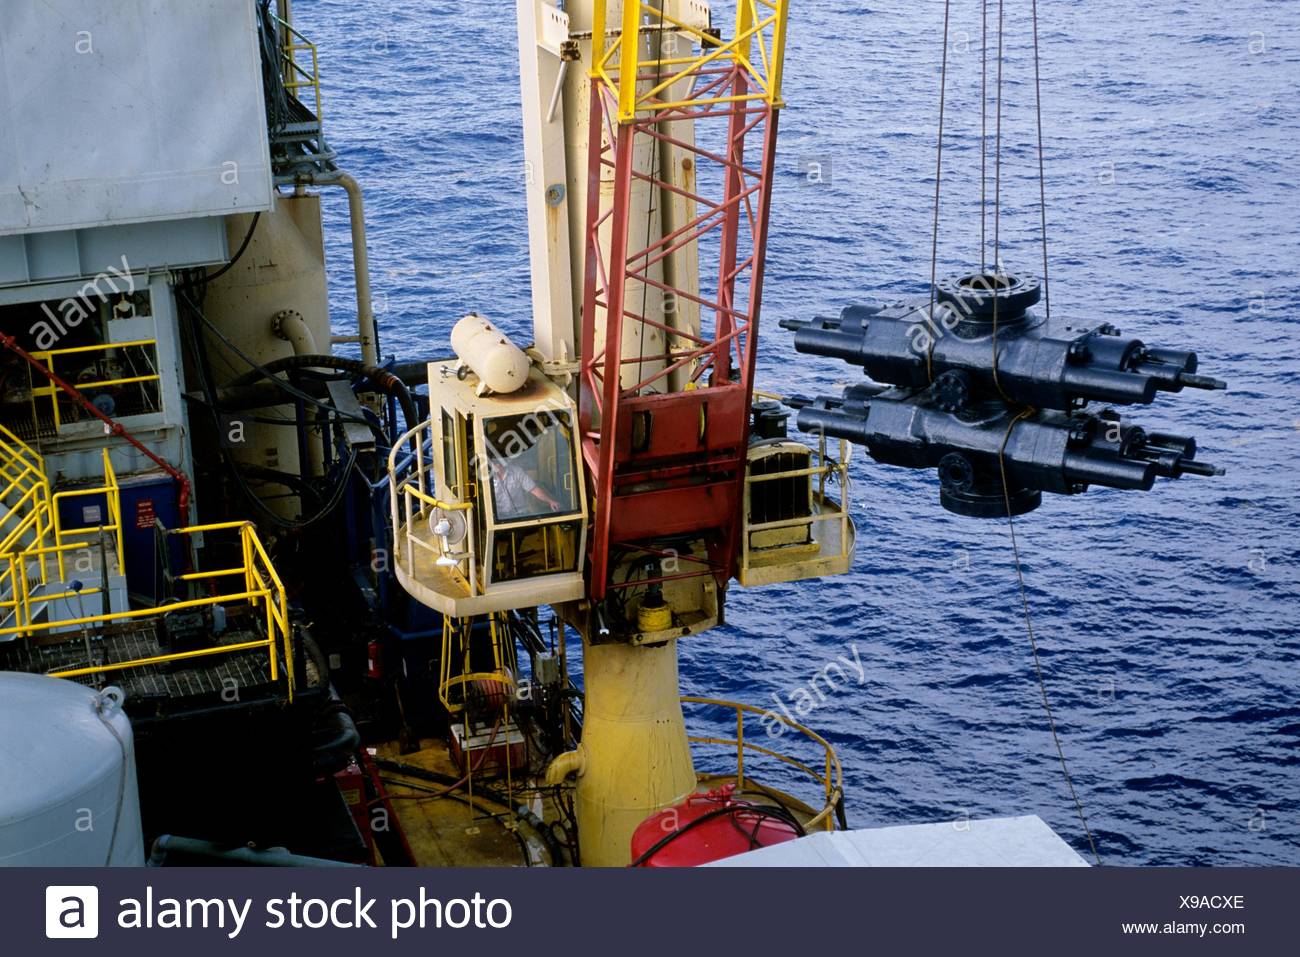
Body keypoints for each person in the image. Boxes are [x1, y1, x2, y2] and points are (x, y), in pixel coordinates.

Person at [489, 454, 562, 519]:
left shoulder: (517, 471)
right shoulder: (487, 477)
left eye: (499, 462)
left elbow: (534, 489)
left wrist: (550, 501)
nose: (497, 465)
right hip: (500, 518)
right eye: (494, 462)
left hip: (520, 515)